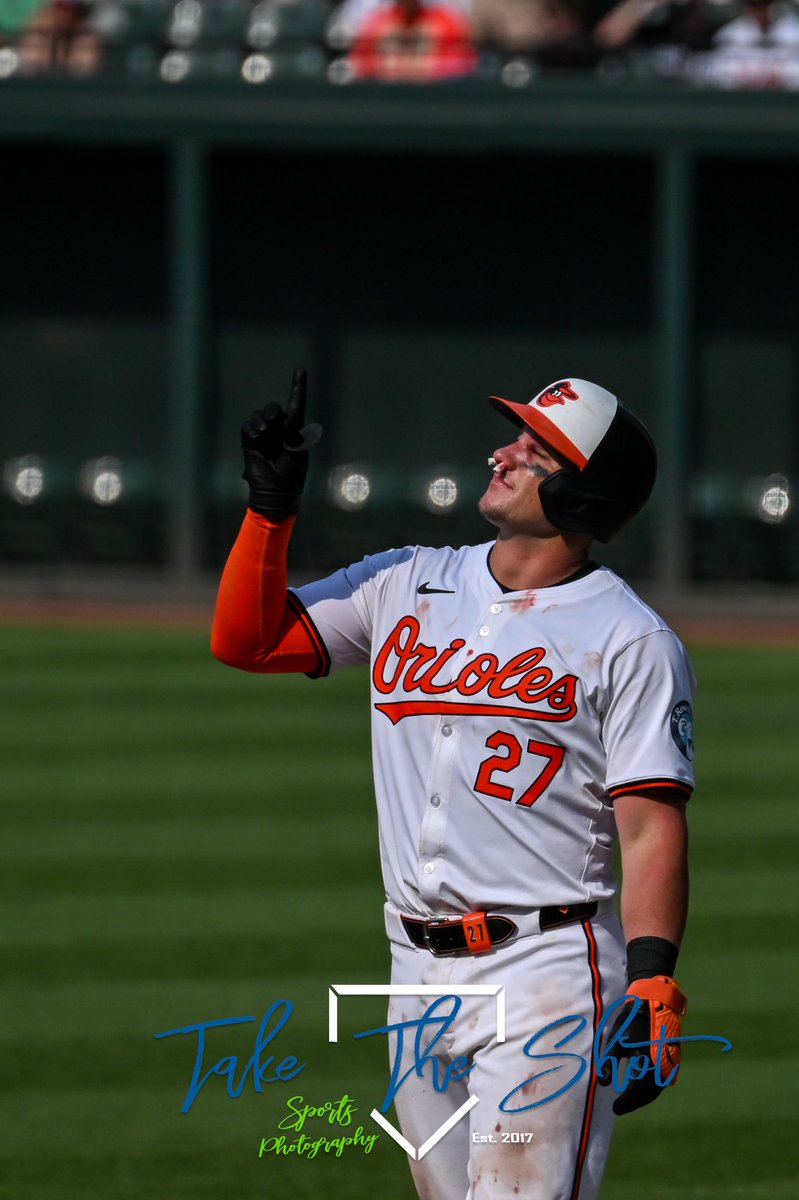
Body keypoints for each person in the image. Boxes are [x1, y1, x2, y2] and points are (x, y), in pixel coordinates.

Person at [211, 370, 695, 1200]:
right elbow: (248, 641)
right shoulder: (405, 578)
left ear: (581, 492)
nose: (502, 454)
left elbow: (649, 827)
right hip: (413, 971)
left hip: (544, 971)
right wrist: (269, 509)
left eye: (536, 452)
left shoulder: (630, 638)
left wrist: (653, 977)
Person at [347, 0, 478, 80]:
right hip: (386, 102)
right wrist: (387, 65)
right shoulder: (378, 21)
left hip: (435, 101)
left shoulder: (445, 19)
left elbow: (465, 62)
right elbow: (359, 63)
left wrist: (429, 66)